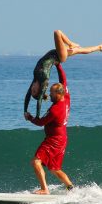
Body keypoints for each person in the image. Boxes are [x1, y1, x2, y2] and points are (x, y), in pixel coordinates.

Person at [24, 30, 102, 118]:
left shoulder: (35, 80)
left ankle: (99, 47)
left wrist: (25, 111)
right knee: (57, 33)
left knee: (80, 50)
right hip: (59, 55)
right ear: (40, 90)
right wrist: (37, 117)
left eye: (32, 90)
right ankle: (70, 43)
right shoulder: (43, 80)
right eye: (34, 91)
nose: (32, 89)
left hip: (57, 53)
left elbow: (27, 95)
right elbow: (39, 101)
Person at [24, 63, 72, 195]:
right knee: (55, 168)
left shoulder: (56, 110)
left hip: (53, 140)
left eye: (51, 92)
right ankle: (71, 188)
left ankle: (45, 189)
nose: (49, 94)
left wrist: (30, 117)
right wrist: (58, 66)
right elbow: (64, 80)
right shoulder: (66, 98)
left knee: (36, 162)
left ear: (58, 93)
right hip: (62, 139)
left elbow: (40, 123)